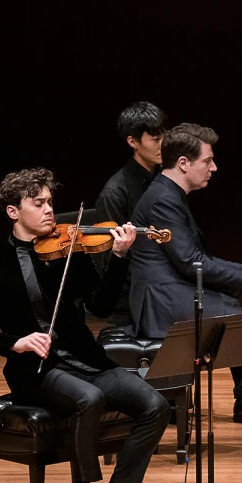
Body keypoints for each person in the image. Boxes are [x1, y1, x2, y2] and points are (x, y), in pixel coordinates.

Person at [0, 168, 170, 483]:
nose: (50, 211)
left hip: (86, 358)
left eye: (50, 202)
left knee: (156, 405)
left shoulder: (70, 249)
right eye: (38, 204)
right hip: (35, 369)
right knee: (89, 398)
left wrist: (119, 256)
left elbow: (100, 307)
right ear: (13, 212)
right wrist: (14, 342)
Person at [128, 123, 242, 457]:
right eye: (208, 161)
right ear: (183, 163)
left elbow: (195, 258)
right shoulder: (162, 200)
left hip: (171, 291)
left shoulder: (168, 193)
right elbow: (190, 262)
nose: (214, 168)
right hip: (162, 302)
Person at [95, 101, 169, 323]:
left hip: (161, 281)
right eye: (156, 140)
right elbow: (113, 267)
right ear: (133, 142)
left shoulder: (163, 179)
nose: (164, 145)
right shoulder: (115, 193)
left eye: (165, 137)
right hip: (136, 295)